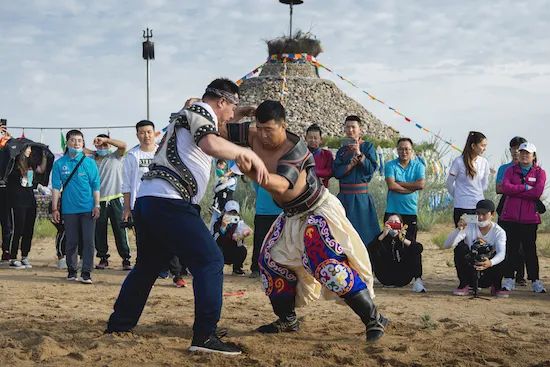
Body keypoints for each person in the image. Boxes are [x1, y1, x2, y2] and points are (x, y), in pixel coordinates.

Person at [106, 78, 270, 355]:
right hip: (169, 202)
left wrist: (241, 115)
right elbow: (210, 143)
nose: (232, 116)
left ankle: (120, 324)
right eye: (232, 109)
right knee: (210, 261)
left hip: (149, 201)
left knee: (147, 266)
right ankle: (205, 335)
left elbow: (217, 133)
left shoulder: (189, 117)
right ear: (221, 102)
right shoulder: (199, 110)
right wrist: (246, 153)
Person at [229, 100, 387, 343]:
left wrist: (250, 171)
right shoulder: (253, 134)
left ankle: (373, 318)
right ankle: (288, 319)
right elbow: (217, 131)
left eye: (269, 129)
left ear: (283, 126)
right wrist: (234, 115)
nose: (263, 135)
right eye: (259, 128)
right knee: (270, 262)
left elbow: (281, 184)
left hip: (318, 210)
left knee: (326, 263)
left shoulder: (295, 149)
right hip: (291, 215)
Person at [51, 130, 100, 284]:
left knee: (88, 241)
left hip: (88, 208)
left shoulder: (89, 162)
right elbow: (55, 188)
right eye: (73, 140)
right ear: (67, 143)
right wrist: (54, 208)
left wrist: (97, 205)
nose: (76, 143)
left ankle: (86, 272)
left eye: (79, 140)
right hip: (69, 209)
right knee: (71, 241)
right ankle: (72, 270)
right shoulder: (59, 163)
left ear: (83, 143)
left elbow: (95, 186)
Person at [499, 142, 546, 293]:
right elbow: (505, 188)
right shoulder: (510, 170)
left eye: (528, 153)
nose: (524, 156)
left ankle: (535, 281)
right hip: (510, 218)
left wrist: (516, 190)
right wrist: (524, 188)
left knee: (529, 251)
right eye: (522, 153)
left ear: (533, 156)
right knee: (510, 249)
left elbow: (536, 193)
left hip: (529, 219)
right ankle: (508, 280)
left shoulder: (540, 172)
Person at [444, 199, 509, 297]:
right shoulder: (468, 225)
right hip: (471, 268)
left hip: (489, 269)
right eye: (477, 213)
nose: (480, 217)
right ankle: (464, 284)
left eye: (484, 214)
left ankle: (496, 286)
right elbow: (447, 245)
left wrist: (490, 263)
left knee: (504, 255)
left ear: (492, 214)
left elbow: (501, 254)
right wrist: (458, 229)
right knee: (460, 248)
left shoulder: (499, 232)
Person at [333, 115, 380, 247]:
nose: (350, 130)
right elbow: (336, 172)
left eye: (353, 127)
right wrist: (350, 166)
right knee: (343, 237)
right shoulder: (342, 150)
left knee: (365, 237)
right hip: (344, 199)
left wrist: (360, 154)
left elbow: (370, 170)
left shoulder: (368, 147)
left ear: (360, 130)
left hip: (362, 199)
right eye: (347, 127)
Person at [91, 134, 131, 271]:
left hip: (116, 198)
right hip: (98, 200)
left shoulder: (116, 156)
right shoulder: (91, 159)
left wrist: (107, 140)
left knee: (120, 230)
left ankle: (126, 258)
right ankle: (103, 258)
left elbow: (123, 145)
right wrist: (94, 150)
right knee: (99, 231)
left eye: (105, 145)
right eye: (99, 144)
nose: (102, 147)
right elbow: (81, 150)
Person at [7, 142, 47, 268]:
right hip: (18, 201)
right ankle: (13, 257)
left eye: (30, 148)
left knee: (28, 229)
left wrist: (44, 156)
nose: (29, 150)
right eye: (27, 148)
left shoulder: (31, 164)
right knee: (17, 229)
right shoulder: (13, 164)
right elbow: (9, 179)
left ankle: (25, 256)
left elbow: (41, 169)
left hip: (30, 200)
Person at [495, 136, 527, 287]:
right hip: (506, 205)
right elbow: (499, 188)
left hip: (524, 207)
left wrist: (511, 187)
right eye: (513, 148)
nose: (516, 152)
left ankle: (520, 275)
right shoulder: (504, 168)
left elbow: (533, 189)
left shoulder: (530, 169)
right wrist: (519, 189)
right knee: (504, 240)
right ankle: (505, 274)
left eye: (519, 148)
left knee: (521, 243)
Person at [368, 214, 426, 292]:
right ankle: (368, 281)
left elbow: (419, 248)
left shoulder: (405, 236)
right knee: (374, 250)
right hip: (385, 276)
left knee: (415, 249)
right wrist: (383, 235)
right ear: (385, 224)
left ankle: (418, 281)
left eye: (396, 222)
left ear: (401, 225)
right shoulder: (381, 236)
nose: (393, 224)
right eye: (390, 222)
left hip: (403, 277)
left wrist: (403, 240)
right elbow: (369, 249)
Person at [384, 137, 425, 242]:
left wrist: (398, 183)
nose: (404, 152)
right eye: (401, 149)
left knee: (409, 244)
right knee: (391, 243)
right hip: (392, 212)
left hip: (410, 211)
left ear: (412, 150)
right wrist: (410, 188)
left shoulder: (419, 166)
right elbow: (391, 185)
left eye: (407, 149)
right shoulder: (390, 165)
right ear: (397, 150)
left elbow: (420, 185)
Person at [446, 131, 489, 227]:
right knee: (463, 236)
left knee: (477, 237)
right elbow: (449, 183)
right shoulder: (458, 162)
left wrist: (477, 194)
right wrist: (458, 195)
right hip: (462, 207)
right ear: (473, 146)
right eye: (482, 145)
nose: (484, 149)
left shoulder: (484, 162)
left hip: (479, 207)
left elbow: (484, 184)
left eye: (485, 146)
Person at [249, 182, 282, 278]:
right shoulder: (261, 172)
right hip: (262, 212)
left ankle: (276, 269)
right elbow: (256, 187)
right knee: (259, 241)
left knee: (279, 243)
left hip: (279, 212)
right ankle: (256, 268)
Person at [212, 200, 252, 275]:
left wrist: (243, 234)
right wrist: (223, 227)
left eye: (234, 213)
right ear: (224, 212)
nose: (231, 215)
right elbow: (215, 238)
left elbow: (248, 231)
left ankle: (237, 268)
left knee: (242, 249)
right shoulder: (217, 223)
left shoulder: (239, 224)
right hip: (221, 250)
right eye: (229, 212)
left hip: (233, 250)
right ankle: (217, 268)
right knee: (217, 249)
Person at [305, 123, 333, 188]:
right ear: (305, 138)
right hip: (303, 190)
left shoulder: (327, 154)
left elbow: (330, 171)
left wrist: (312, 173)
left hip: (321, 190)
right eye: (310, 138)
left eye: (315, 138)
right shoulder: (300, 153)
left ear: (321, 140)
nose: (313, 140)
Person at [0, 123, 12, 262]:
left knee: (7, 223)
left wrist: (8, 139)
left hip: (6, 191)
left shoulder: (9, 147)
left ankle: (6, 250)